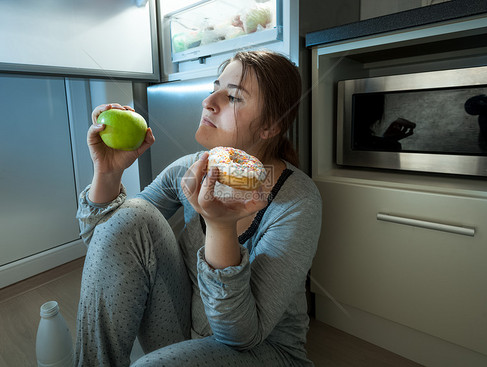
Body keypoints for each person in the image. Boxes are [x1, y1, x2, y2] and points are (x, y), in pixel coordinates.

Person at [75, 50, 322, 367]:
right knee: (135, 213)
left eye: (233, 97)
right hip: (186, 326)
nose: (209, 101)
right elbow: (106, 245)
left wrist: (220, 229)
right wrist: (107, 174)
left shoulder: (297, 200)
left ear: (270, 127)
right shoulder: (188, 169)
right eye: (215, 87)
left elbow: (241, 336)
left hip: (264, 349)